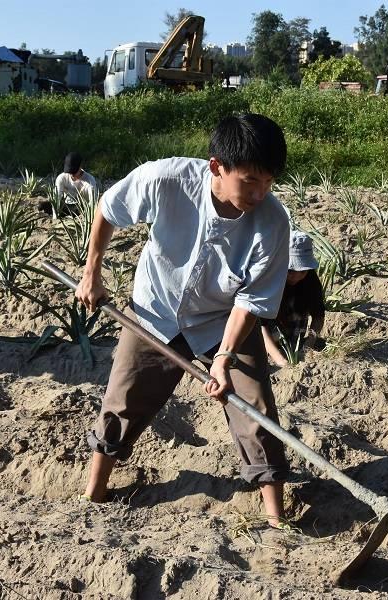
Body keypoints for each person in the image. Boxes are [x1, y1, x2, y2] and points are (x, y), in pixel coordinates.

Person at [75, 113, 292, 528]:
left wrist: (224, 358)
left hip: (220, 320)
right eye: (249, 181)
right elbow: (108, 207)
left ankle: (277, 519)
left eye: (268, 182)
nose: (260, 193)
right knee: (123, 401)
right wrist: (92, 272)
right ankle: (94, 494)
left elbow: (250, 300)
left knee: (254, 408)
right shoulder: (166, 179)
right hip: (155, 310)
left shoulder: (272, 223)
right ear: (217, 167)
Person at [261, 230, 326, 367]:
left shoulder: (311, 281)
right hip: (265, 340)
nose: (296, 277)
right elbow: (261, 326)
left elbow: (318, 315)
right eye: (290, 271)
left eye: (302, 272)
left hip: (295, 336)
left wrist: (308, 344)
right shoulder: (268, 282)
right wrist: (280, 360)